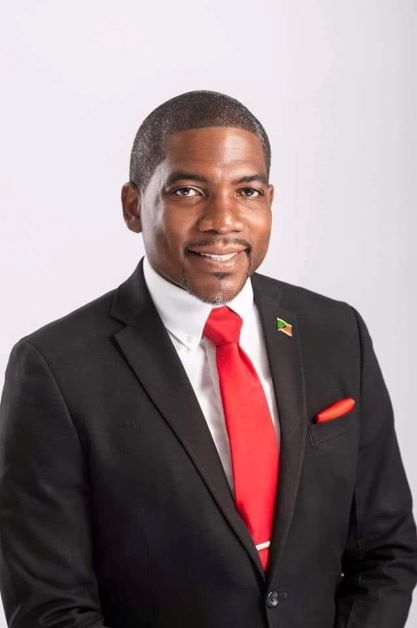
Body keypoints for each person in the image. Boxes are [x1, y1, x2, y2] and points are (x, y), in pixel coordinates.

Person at [0, 90, 416, 628]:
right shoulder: (55, 369)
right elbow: (50, 606)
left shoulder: (336, 333)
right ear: (134, 206)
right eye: (188, 191)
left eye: (247, 191)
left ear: (269, 200)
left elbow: (386, 550)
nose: (223, 220)